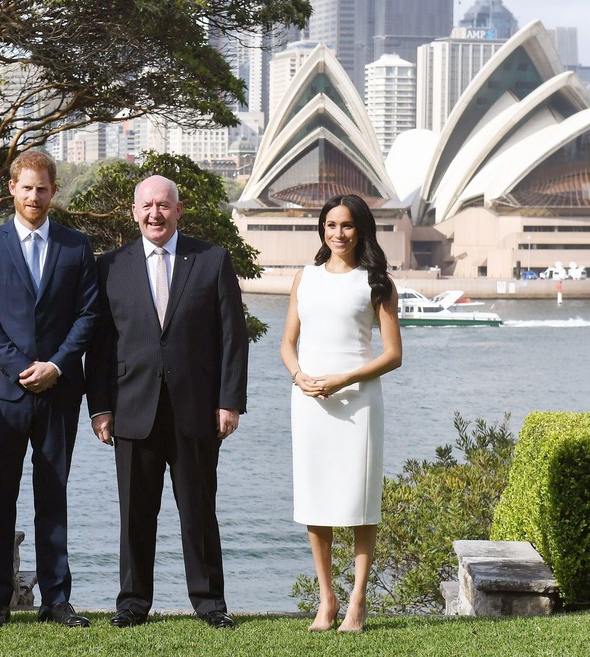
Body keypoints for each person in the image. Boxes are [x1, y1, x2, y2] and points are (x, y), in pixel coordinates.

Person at [86, 175, 249, 629]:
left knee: (199, 513)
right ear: (134, 212)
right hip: (130, 409)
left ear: (179, 211)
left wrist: (229, 402)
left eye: (164, 205)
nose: (155, 213)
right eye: (147, 206)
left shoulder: (212, 260)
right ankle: (133, 603)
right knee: (135, 514)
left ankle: (210, 603)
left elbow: (233, 338)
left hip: (197, 410)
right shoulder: (110, 266)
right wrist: (99, 407)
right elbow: (98, 346)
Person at [0, 150, 98, 629]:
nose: (35, 196)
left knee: (54, 497)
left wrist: (57, 367)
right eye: (27, 188)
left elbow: (88, 316)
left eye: (43, 188)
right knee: (2, 499)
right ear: (12, 189)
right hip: (3, 396)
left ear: (53, 191)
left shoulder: (76, 246)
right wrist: (25, 368)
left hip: (59, 394)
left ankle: (56, 600)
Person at [279, 194, 402, 633]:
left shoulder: (378, 282)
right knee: (316, 498)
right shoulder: (305, 278)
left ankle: (358, 599)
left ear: (361, 229)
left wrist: (342, 380)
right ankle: (326, 599)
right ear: (321, 229)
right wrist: (300, 377)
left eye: (346, 225)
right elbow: (287, 343)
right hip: (310, 401)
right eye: (330, 224)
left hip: (358, 402)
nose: (337, 233)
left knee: (359, 500)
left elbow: (393, 355)